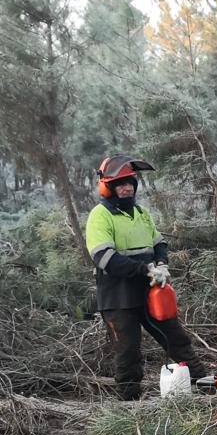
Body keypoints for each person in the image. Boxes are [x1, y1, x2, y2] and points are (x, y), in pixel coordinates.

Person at [85, 156, 206, 400]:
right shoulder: (100, 215)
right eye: (120, 183)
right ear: (108, 187)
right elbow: (105, 258)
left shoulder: (140, 213)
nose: (127, 187)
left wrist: (161, 264)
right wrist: (145, 270)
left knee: (175, 337)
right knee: (128, 351)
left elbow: (158, 241)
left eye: (130, 182)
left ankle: (202, 382)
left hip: (150, 291)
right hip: (118, 297)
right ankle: (129, 402)